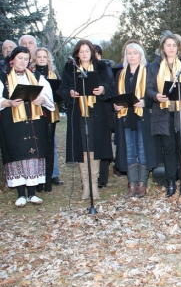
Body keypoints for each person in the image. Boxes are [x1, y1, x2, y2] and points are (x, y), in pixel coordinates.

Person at [58, 39, 113, 200]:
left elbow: (110, 86)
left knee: (94, 149)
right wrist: (70, 93)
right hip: (79, 114)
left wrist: (102, 89)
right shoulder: (70, 67)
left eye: (86, 51)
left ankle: (94, 184)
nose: (84, 54)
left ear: (92, 52)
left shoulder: (102, 66)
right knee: (83, 150)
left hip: (97, 114)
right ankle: (85, 185)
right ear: (77, 53)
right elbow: (61, 89)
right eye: (81, 52)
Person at [146, 32, 181, 198]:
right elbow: (148, 88)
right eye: (168, 45)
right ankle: (170, 183)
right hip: (163, 113)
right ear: (163, 47)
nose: (171, 48)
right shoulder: (154, 66)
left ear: (179, 48)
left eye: (174, 45)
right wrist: (155, 96)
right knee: (168, 149)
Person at [0, 47, 55, 206]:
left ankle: (32, 194)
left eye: (26, 59)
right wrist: (9, 102)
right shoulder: (3, 77)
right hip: (12, 122)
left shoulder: (36, 77)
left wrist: (42, 100)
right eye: (20, 58)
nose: (23, 61)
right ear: (13, 59)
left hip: (34, 121)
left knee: (33, 154)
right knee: (16, 153)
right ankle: (20, 194)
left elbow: (47, 95)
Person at [114, 42, 160, 198]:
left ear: (141, 55)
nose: (132, 56)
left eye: (135, 53)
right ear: (126, 56)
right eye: (129, 53)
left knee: (142, 150)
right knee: (129, 151)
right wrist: (116, 106)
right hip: (126, 116)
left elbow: (154, 93)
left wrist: (145, 102)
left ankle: (142, 184)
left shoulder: (148, 71)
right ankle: (132, 184)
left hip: (143, 116)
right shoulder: (120, 74)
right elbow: (116, 95)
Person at [34, 47, 61, 193]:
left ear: (48, 59)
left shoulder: (53, 74)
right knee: (39, 145)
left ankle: (49, 179)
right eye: (39, 57)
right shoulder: (32, 74)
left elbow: (58, 93)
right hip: (36, 113)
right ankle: (39, 180)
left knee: (50, 146)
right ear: (35, 59)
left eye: (44, 56)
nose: (42, 59)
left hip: (50, 112)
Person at [94, 44, 116, 188]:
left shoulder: (105, 68)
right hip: (89, 111)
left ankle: (102, 179)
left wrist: (103, 90)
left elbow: (111, 88)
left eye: (96, 54)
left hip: (105, 112)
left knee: (104, 145)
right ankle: (91, 177)